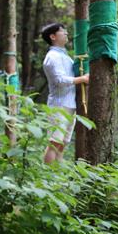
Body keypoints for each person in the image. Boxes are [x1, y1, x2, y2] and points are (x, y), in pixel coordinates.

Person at [40, 23, 89, 164]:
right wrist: (83, 79)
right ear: (53, 36)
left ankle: (57, 177)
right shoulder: (52, 56)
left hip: (69, 104)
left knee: (62, 144)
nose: (66, 33)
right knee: (54, 142)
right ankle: (47, 177)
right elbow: (59, 80)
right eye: (63, 31)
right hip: (59, 105)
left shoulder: (65, 56)